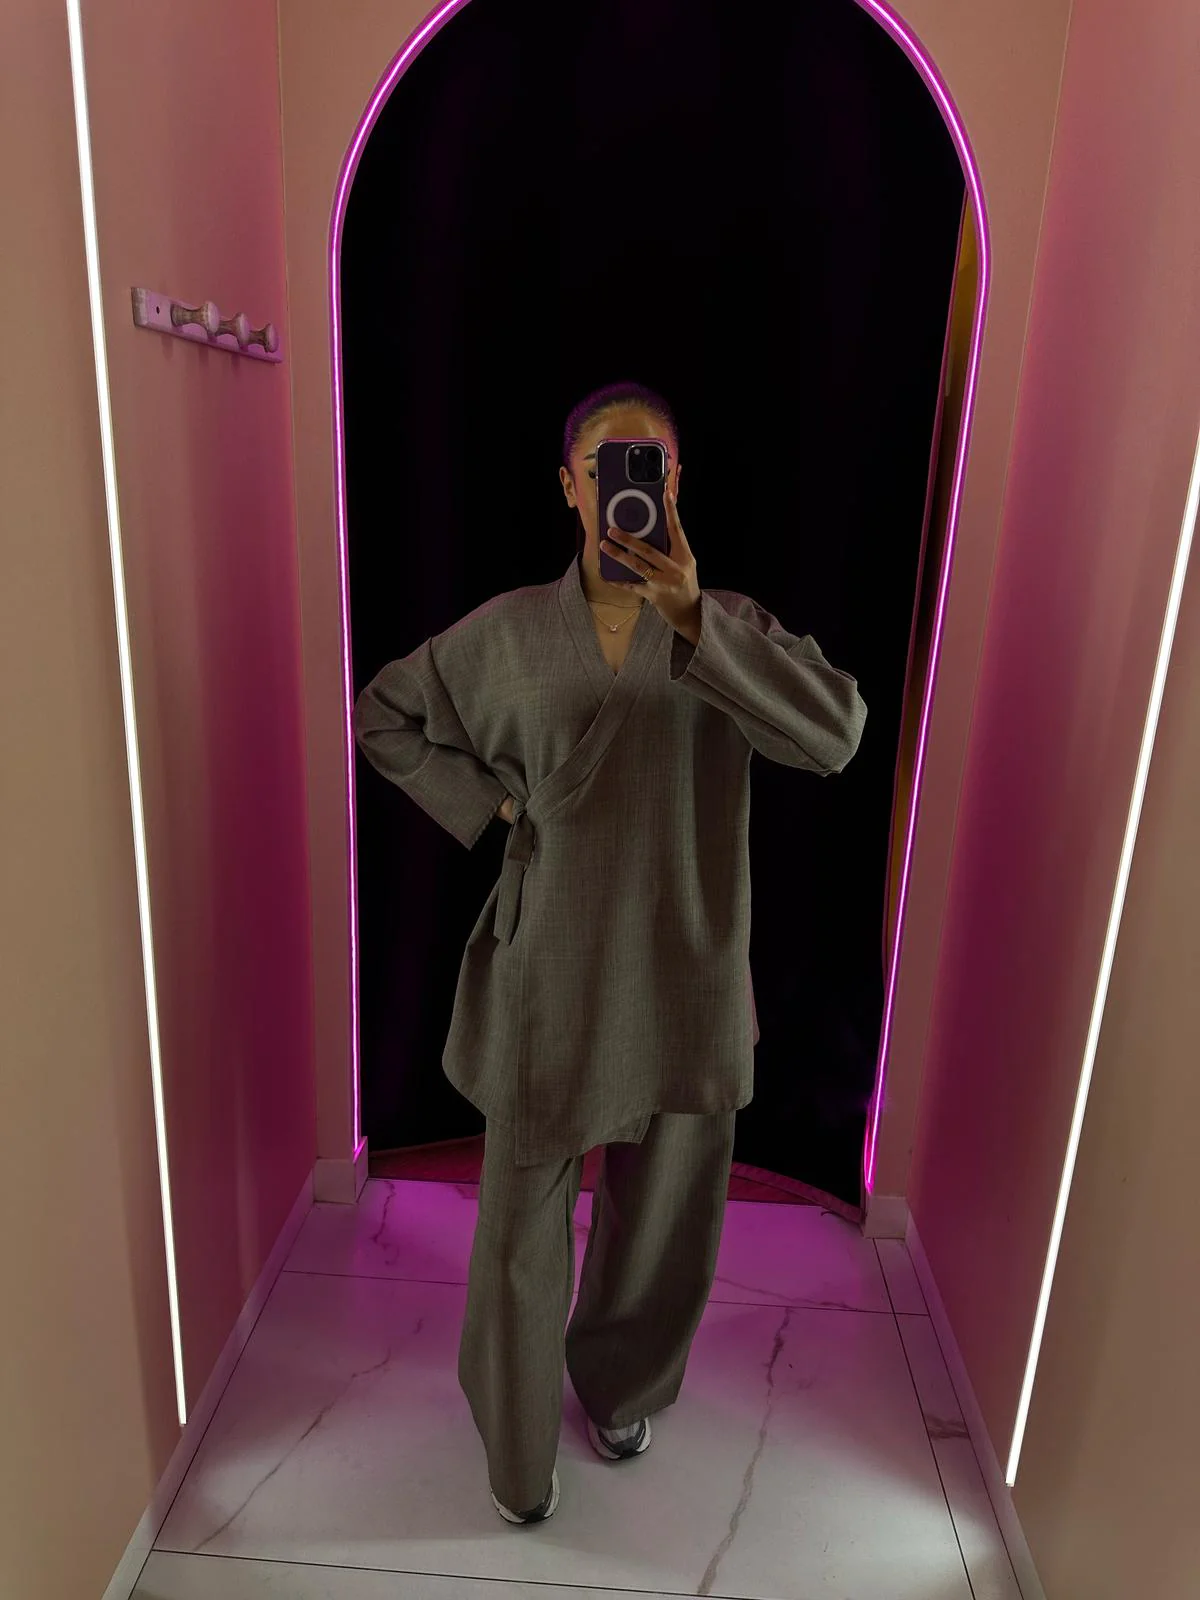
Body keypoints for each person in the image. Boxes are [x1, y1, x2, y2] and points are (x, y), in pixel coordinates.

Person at [354, 381, 868, 1525]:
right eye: (605, 466)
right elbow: (385, 712)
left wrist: (695, 621)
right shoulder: (506, 633)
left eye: (651, 465)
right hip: (553, 961)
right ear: (570, 486)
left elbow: (836, 733)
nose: (628, 486)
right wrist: (491, 806)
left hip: (685, 961)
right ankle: (517, 1446)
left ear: (675, 484)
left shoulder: (726, 623)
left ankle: (622, 1385)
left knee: (665, 1210)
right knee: (519, 1224)